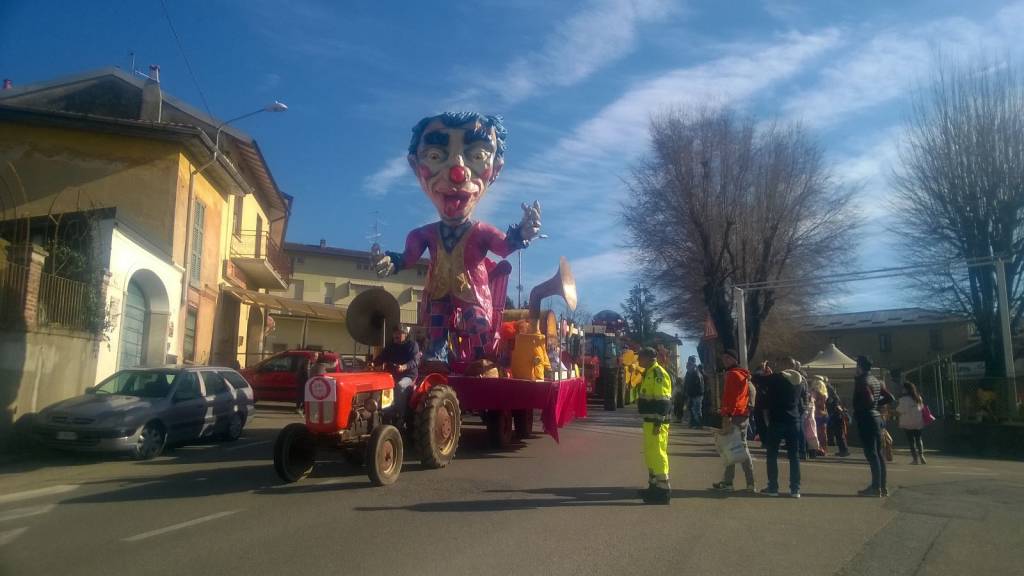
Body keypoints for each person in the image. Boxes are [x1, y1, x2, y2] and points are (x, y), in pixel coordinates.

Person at [371, 112, 542, 363]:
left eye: (478, 156)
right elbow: (408, 257)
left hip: (474, 295)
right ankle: (437, 357)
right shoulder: (424, 234)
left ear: (494, 170)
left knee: (479, 325)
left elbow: (504, 247)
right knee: (435, 327)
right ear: (416, 167)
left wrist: (521, 234)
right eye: (435, 156)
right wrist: (391, 261)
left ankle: (481, 357)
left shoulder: (481, 231)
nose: (457, 173)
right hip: (437, 295)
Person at [754, 357, 803, 498]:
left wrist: (762, 369)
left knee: (772, 454)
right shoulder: (800, 381)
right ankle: (795, 489)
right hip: (794, 420)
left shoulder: (777, 378)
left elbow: (756, 379)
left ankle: (773, 487)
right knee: (794, 456)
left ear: (784, 366)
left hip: (777, 420)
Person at [712, 349, 756, 492]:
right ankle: (741, 482)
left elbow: (731, 398)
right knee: (737, 447)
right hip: (743, 414)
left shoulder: (732, 375)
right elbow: (750, 394)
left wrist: (727, 414)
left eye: (727, 358)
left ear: (733, 359)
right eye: (723, 358)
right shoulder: (744, 375)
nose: (724, 360)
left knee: (734, 448)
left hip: (734, 415)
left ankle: (734, 483)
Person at [852, 355, 895, 497]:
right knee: (878, 453)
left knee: (872, 454)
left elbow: (868, 400)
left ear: (860, 366)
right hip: (876, 417)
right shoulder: (875, 380)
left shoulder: (862, 382)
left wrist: (866, 406)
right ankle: (882, 486)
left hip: (867, 418)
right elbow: (890, 398)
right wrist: (877, 404)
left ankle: (876, 487)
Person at [636, 347, 673, 504]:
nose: (638, 361)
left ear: (649, 358)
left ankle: (663, 490)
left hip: (657, 423)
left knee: (658, 453)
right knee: (651, 453)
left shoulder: (658, 373)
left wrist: (659, 421)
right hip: (650, 422)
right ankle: (653, 486)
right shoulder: (650, 372)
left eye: (640, 358)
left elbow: (663, 400)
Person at [373, 325, 421, 427]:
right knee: (382, 386)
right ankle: (384, 412)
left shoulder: (413, 345)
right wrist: (373, 363)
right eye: (395, 333)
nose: (396, 335)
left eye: (399, 333)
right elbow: (382, 357)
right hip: (393, 374)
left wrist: (404, 366)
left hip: (409, 375)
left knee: (399, 386)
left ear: (405, 334)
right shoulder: (391, 346)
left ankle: (401, 417)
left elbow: (415, 361)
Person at [896, 381, 927, 464]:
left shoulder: (903, 399)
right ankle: (922, 455)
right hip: (918, 422)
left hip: (907, 422)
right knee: (919, 439)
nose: (902, 390)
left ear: (906, 389)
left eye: (903, 388)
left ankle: (915, 459)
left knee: (911, 441)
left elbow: (900, 410)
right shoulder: (918, 398)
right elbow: (922, 408)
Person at [825, 379, 850, 456]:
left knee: (839, 434)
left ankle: (844, 450)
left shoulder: (832, 397)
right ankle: (843, 450)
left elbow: (832, 405)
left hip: (836, 416)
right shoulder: (835, 396)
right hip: (837, 416)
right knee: (839, 434)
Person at [809, 376, 830, 456]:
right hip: (824, 414)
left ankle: (818, 449)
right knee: (823, 433)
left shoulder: (814, 393)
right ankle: (824, 449)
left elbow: (812, 403)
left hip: (817, 414)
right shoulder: (825, 393)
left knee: (816, 432)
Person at [683, 356, 705, 429]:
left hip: (697, 394)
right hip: (691, 394)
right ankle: (693, 423)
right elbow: (686, 383)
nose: (688, 365)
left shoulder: (696, 372)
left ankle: (699, 424)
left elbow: (697, 384)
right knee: (692, 409)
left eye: (690, 363)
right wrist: (686, 392)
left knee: (696, 410)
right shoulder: (689, 373)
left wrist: (689, 391)